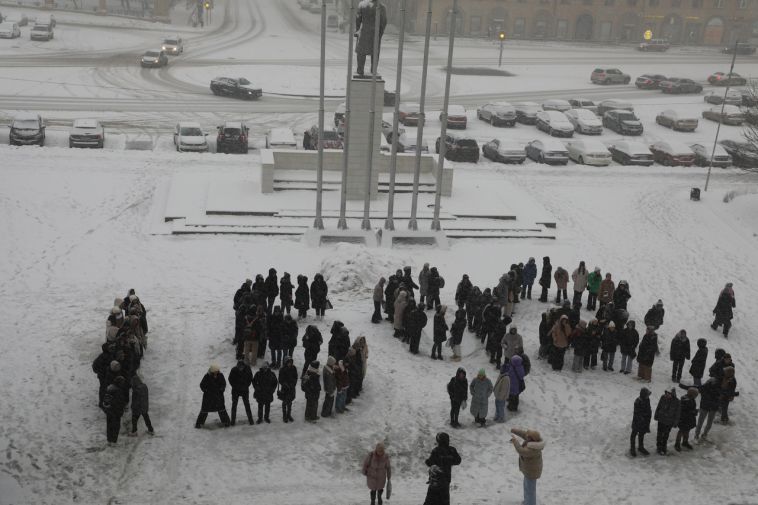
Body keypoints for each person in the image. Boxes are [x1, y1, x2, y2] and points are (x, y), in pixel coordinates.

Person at [510, 428, 545, 505]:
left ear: (531, 439)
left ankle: (530, 503)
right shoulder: (533, 441)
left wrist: (515, 441)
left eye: (528, 436)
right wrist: (515, 430)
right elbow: (524, 434)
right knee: (527, 488)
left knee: (530, 490)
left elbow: (521, 451)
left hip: (531, 472)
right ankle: (527, 502)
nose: (526, 436)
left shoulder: (532, 449)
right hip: (529, 471)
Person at [424, 432, 461, 505]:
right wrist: (449, 459)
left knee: (430, 501)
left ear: (439, 441)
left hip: (435, 479)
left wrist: (428, 461)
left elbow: (429, 462)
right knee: (444, 501)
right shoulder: (451, 450)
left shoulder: (436, 450)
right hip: (446, 480)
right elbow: (458, 460)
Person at [354, 0, 387, 76]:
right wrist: (380, 34)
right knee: (375, 53)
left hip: (364, 32)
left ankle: (360, 70)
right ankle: (373, 71)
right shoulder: (382, 6)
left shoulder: (362, 4)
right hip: (375, 33)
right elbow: (384, 22)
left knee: (361, 52)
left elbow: (358, 19)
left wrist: (357, 30)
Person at [195, 364, 231, 428]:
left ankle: (226, 422)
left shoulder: (220, 375)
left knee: (221, 409)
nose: (217, 372)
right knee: (204, 410)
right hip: (208, 397)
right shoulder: (207, 376)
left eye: (217, 370)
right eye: (215, 371)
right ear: (212, 371)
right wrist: (207, 391)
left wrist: (221, 389)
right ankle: (199, 423)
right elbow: (202, 385)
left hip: (218, 396)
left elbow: (223, 383)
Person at [654, 388, 681, 455]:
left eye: (669, 394)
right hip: (661, 419)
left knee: (666, 435)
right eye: (666, 393)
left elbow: (677, 413)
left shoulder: (677, 401)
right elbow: (659, 406)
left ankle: (664, 446)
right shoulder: (663, 397)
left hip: (669, 422)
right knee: (659, 434)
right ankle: (659, 447)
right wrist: (656, 415)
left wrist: (675, 422)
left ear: (673, 394)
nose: (667, 395)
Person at [101, 376, 127, 445]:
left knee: (109, 426)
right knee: (116, 426)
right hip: (116, 412)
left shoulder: (109, 388)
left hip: (109, 411)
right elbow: (119, 402)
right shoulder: (118, 390)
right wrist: (121, 409)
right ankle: (114, 441)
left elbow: (104, 400)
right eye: (122, 382)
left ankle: (109, 440)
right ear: (120, 383)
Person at [228, 360, 254, 426]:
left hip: (244, 390)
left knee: (247, 405)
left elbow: (250, 378)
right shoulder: (233, 370)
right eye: (239, 368)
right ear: (237, 367)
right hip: (235, 390)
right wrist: (236, 386)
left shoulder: (248, 369)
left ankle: (250, 419)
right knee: (234, 405)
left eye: (241, 367)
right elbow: (230, 379)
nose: (240, 369)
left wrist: (245, 385)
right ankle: (233, 421)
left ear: (244, 366)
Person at [629, 387, 652, 457]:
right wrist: (644, 416)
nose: (648, 396)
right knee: (634, 434)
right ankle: (632, 448)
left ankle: (641, 447)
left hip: (644, 422)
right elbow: (638, 413)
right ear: (643, 395)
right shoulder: (637, 401)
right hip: (637, 422)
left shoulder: (647, 399)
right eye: (647, 395)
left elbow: (648, 409)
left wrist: (647, 418)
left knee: (641, 434)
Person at [278, 357, 298, 423]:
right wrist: (285, 384)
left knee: (290, 402)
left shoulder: (294, 368)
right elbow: (280, 379)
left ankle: (288, 415)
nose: (290, 364)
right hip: (285, 388)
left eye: (291, 362)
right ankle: (284, 416)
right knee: (284, 402)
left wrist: (293, 384)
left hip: (291, 388)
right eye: (289, 362)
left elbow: (296, 377)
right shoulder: (282, 369)